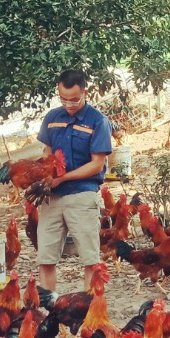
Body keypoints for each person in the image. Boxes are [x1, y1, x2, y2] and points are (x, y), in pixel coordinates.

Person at [33, 68, 113, 292]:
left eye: (74, 99)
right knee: (45, 257)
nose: (68, 104)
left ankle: (90, 306)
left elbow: (96, 164)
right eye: (63, 99)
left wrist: (63, 178)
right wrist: (45, 174)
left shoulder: (98, 121)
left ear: (85, 92)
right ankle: (48, 305)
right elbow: (47, 152)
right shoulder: (52, 118)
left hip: (82, 194)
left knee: (90, 258)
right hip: (52, 197)